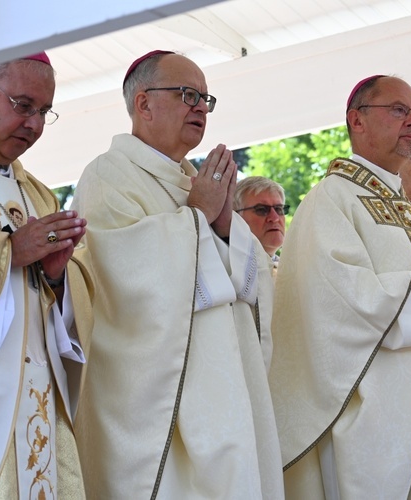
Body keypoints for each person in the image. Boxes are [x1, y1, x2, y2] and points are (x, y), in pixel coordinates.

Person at [269, 75, 411, 499]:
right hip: (387, 421)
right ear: (357, 120)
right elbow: (328, 304)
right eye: (398, 110)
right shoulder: (329, 201)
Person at [72, 50, 283, 499]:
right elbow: (120, 279)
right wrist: (199, 217)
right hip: (155, 405)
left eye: (206, 98)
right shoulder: (107, 176)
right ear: (144, 104)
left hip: (223, 390)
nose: (200, 107)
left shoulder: (194, 183)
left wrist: (226, 227)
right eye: (187, 95)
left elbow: (254, 284)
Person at [0, 52, 92, 499]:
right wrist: (9, 252)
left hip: (37, 403)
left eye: (43, 112)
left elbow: (57, 317)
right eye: (23, 105)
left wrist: (56, 279)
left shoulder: (36, 193)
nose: (34, 125)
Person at [234, 175, 287, 262]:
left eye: (278, 209)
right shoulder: (223, 269)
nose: (275, 218)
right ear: (236, 217)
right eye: (262, 210)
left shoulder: (297, 271)